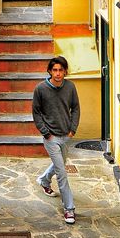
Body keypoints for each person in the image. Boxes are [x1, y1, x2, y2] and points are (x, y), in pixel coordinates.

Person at [32, 56, 80, 224]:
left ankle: (44, 180)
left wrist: (73, 129)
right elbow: (36, 113)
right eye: (55, 70)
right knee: (62, 172)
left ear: (65, 71)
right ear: (50, 71)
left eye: (61, 70)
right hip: (51, 137)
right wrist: (45, 133)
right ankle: (69, 209)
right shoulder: (40, 89)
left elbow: (75, 108)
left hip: (66, 135)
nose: (58, 73)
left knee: (59, 164)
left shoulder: (70, 87)